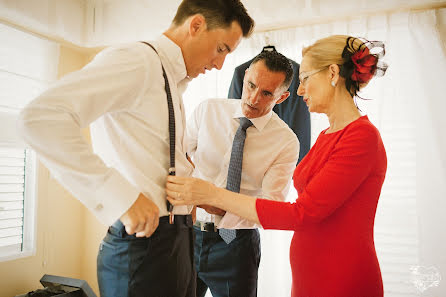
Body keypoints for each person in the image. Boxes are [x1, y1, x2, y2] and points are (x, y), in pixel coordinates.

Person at [17, 1, 254, 296]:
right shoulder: (137, 61)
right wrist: (119, 195)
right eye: (221, 48)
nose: (220, 64)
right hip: (144, 248)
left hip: (177, 243)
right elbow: (40, 118)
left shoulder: (170, 80)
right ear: (195, 26)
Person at [166, 35, 388, 297]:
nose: (301, 90)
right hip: (308, 270)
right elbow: (180, 153)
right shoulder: (327, 134)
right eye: (250, 86)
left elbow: (298, 213)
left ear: (332, 73)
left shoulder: (359, 137)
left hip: (338, 272)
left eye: (304, 78)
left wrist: (211, 195)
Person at [187, 51, 299, 297]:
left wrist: (222, 204)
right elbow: (177, 157)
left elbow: (272, 207)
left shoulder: (286, 142)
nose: (253, 98)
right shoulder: (208, 111)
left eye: (267, 93)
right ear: (245, 75)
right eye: (251, 85)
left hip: (236, 244)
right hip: (188, 235)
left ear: (282, 97)